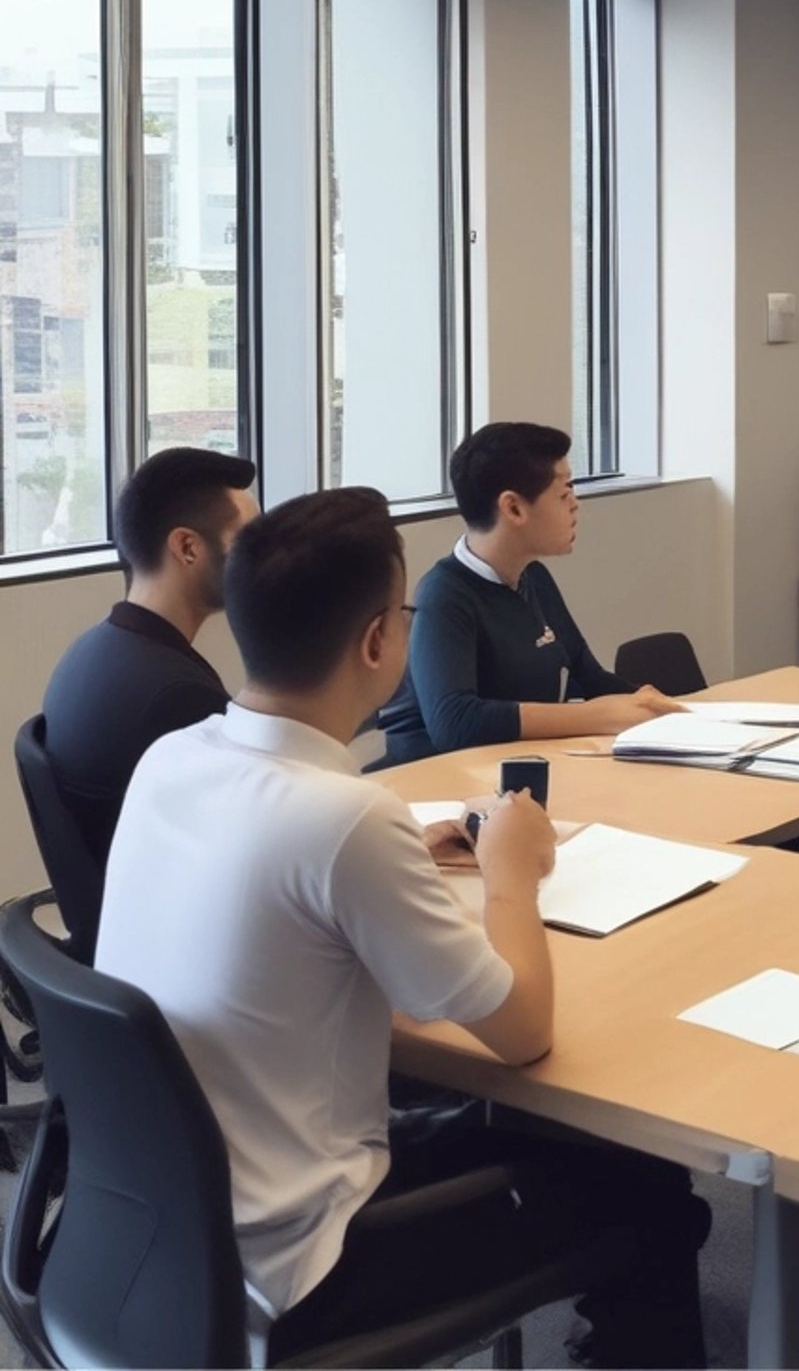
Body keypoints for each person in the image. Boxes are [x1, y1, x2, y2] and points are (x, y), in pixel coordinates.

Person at [94, 488, 709, 1366]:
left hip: (172, 1229)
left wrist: (398, 861)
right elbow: (524, 1033)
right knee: (647, 1182)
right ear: (378, 642)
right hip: (308, 1262)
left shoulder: (172, 759)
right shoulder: (344, 817)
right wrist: (510, 871)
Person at [380, 423, 679, 763]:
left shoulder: (532, 577)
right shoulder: (444, 595)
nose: (575, 505)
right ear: (514, 508)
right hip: (439, 781)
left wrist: (656, 707)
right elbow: (454, 722)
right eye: (564, 494)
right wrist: (597, 715)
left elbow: (588, 676)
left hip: (522, 770)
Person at [41, 445, 259, 880]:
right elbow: (246, 851)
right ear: (187, 547)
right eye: (249, 542)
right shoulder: (177, 697)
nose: (261, 559)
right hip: (173, 914)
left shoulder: (90, 652)